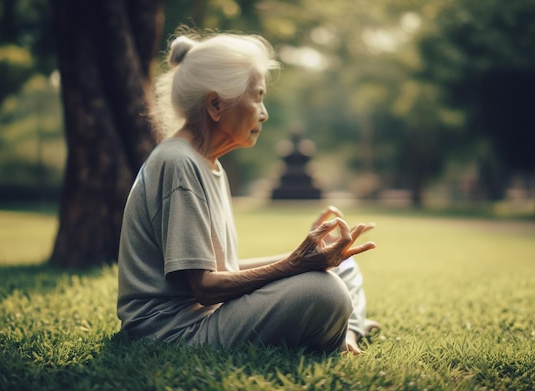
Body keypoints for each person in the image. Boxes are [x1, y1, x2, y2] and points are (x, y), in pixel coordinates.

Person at [117, 30, 378, 355]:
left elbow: (218, 271)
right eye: (257, 97)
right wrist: (295, 264)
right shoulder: (179, 163)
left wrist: (308, 256)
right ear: (216, 105)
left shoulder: (207, 163)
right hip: (175, 332)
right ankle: (343, 331)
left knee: (342, 265)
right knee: (325, 292)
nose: (264, 112)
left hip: (208, 316)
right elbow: (205, 289)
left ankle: (347, 334)